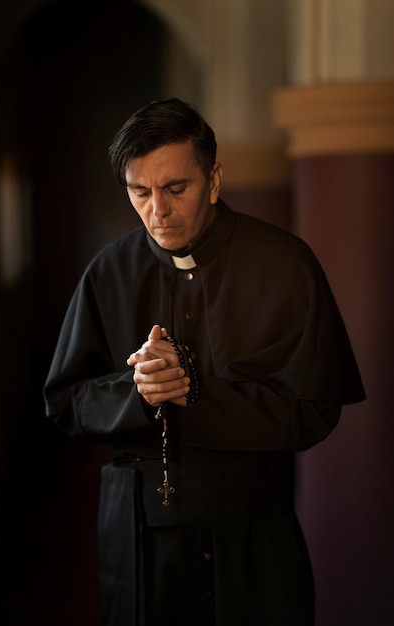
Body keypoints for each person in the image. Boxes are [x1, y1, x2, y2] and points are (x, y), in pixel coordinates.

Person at [44, 98, 365, 626]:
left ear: (213, 181)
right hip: (140, 533)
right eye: (139, 192)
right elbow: (66, 402)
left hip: (252, 531)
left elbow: (315, 408)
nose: (157, 211)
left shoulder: (286, 265)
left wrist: (194, 393)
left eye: (175, 189)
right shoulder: (107, 272)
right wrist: (140, 388)